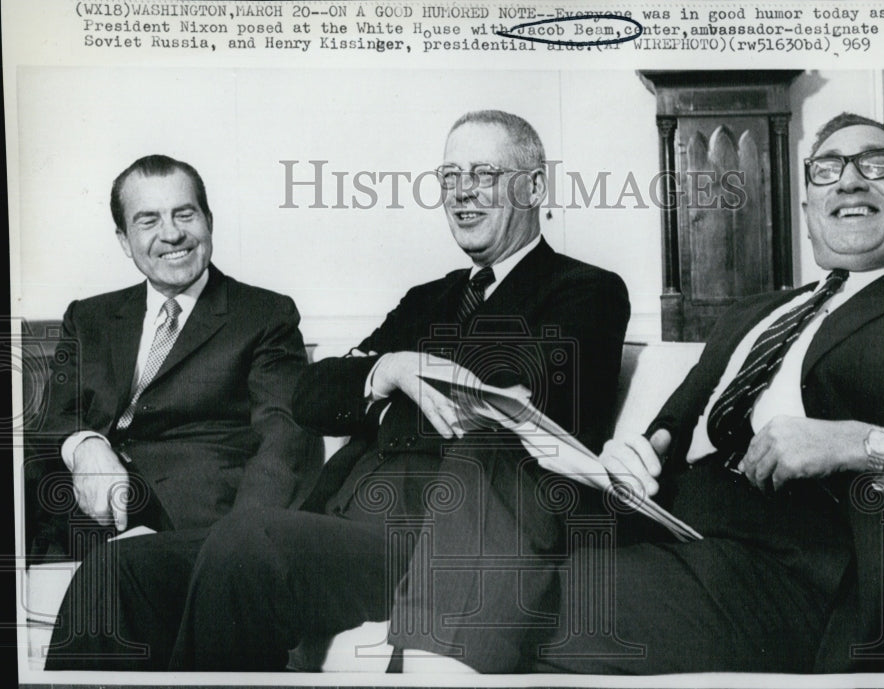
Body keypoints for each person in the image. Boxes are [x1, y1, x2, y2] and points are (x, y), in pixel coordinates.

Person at [390, 113, 884, 674]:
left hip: (778, 564)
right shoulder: (751, 313)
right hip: (655, 523)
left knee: (481, 601)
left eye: (878, 164)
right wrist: (637, 454)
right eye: (828, 170)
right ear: (808, 205)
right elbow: (671, 429)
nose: (849, 182)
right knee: (490, 461)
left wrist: (865, 445)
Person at [60, 110, 630, 671]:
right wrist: (390, 369)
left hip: (438, 539)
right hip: (340, 522)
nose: (462, 195)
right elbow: (312, 397)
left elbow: (514, 391)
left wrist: (389, 367)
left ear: (534, 187)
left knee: (251, 540)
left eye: (482, 175)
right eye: (449, 179)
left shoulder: (587, 290)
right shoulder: (428, 297)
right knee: (120, 569)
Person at [41, 154, 322, 669]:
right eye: (148, 220)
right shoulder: (91, 317)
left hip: (203, 531)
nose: (171, 234)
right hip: (88, 521)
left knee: (115, 580)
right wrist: (88, 448)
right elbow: (56, 417)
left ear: (209, 223)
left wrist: (238, 548)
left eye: (184, 215)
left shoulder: (263, 314)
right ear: (125, 241)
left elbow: (287, 434)